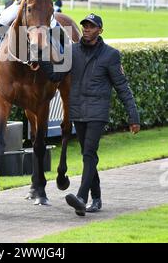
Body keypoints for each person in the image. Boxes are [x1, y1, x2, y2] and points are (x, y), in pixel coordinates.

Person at [39, 13, 140, 216]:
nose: (86, 28)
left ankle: (82, 198)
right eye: (85, 25)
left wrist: (133, 117)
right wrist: (40, 56)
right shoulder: (72, 51)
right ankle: (97, 198)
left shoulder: (111, 55)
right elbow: (56, 75)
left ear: (100, 30)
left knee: (88, 154)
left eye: (91, 26)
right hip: (78, 111)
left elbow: (122, 87)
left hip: (97, 112)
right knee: (89, 155)